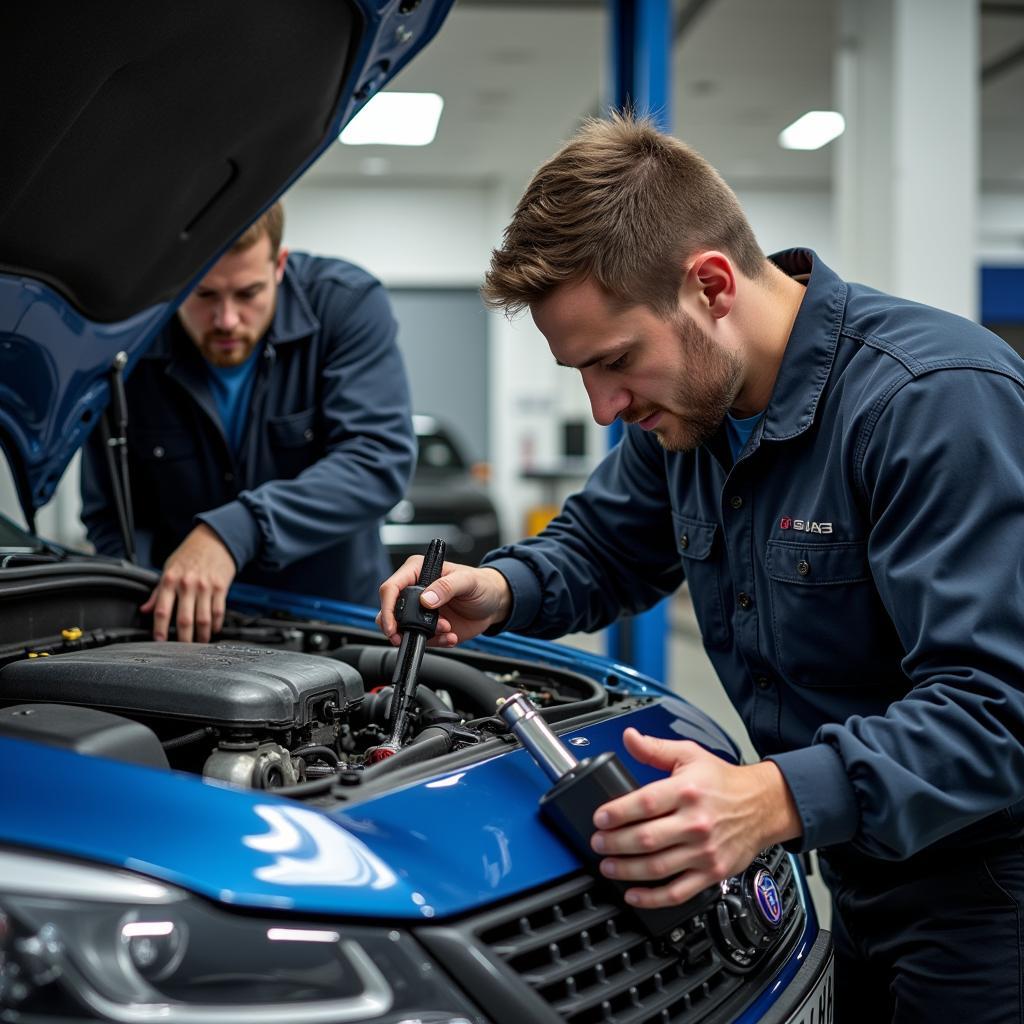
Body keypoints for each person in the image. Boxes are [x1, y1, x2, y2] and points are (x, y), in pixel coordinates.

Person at [378, 114, 1024, 1021]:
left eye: (615, 362)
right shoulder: (692, 416)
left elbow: (997, 710)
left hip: (991, 893)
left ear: (711, 286)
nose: (604, 408)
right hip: (857, 870)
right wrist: (498, 589)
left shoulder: (932, 404)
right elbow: (603, 547)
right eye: (581, 373)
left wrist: (769, 799)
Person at [82, 201, 416, 643]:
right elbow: (112, 513)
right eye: (203, 295)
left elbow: (378, 460)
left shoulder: (345, 304)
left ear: (279, 265)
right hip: (184, 635)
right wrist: (142, 599)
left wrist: (232, 532)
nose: (226, 320)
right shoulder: (129, 344)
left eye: (247, 293)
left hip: (334, 627)